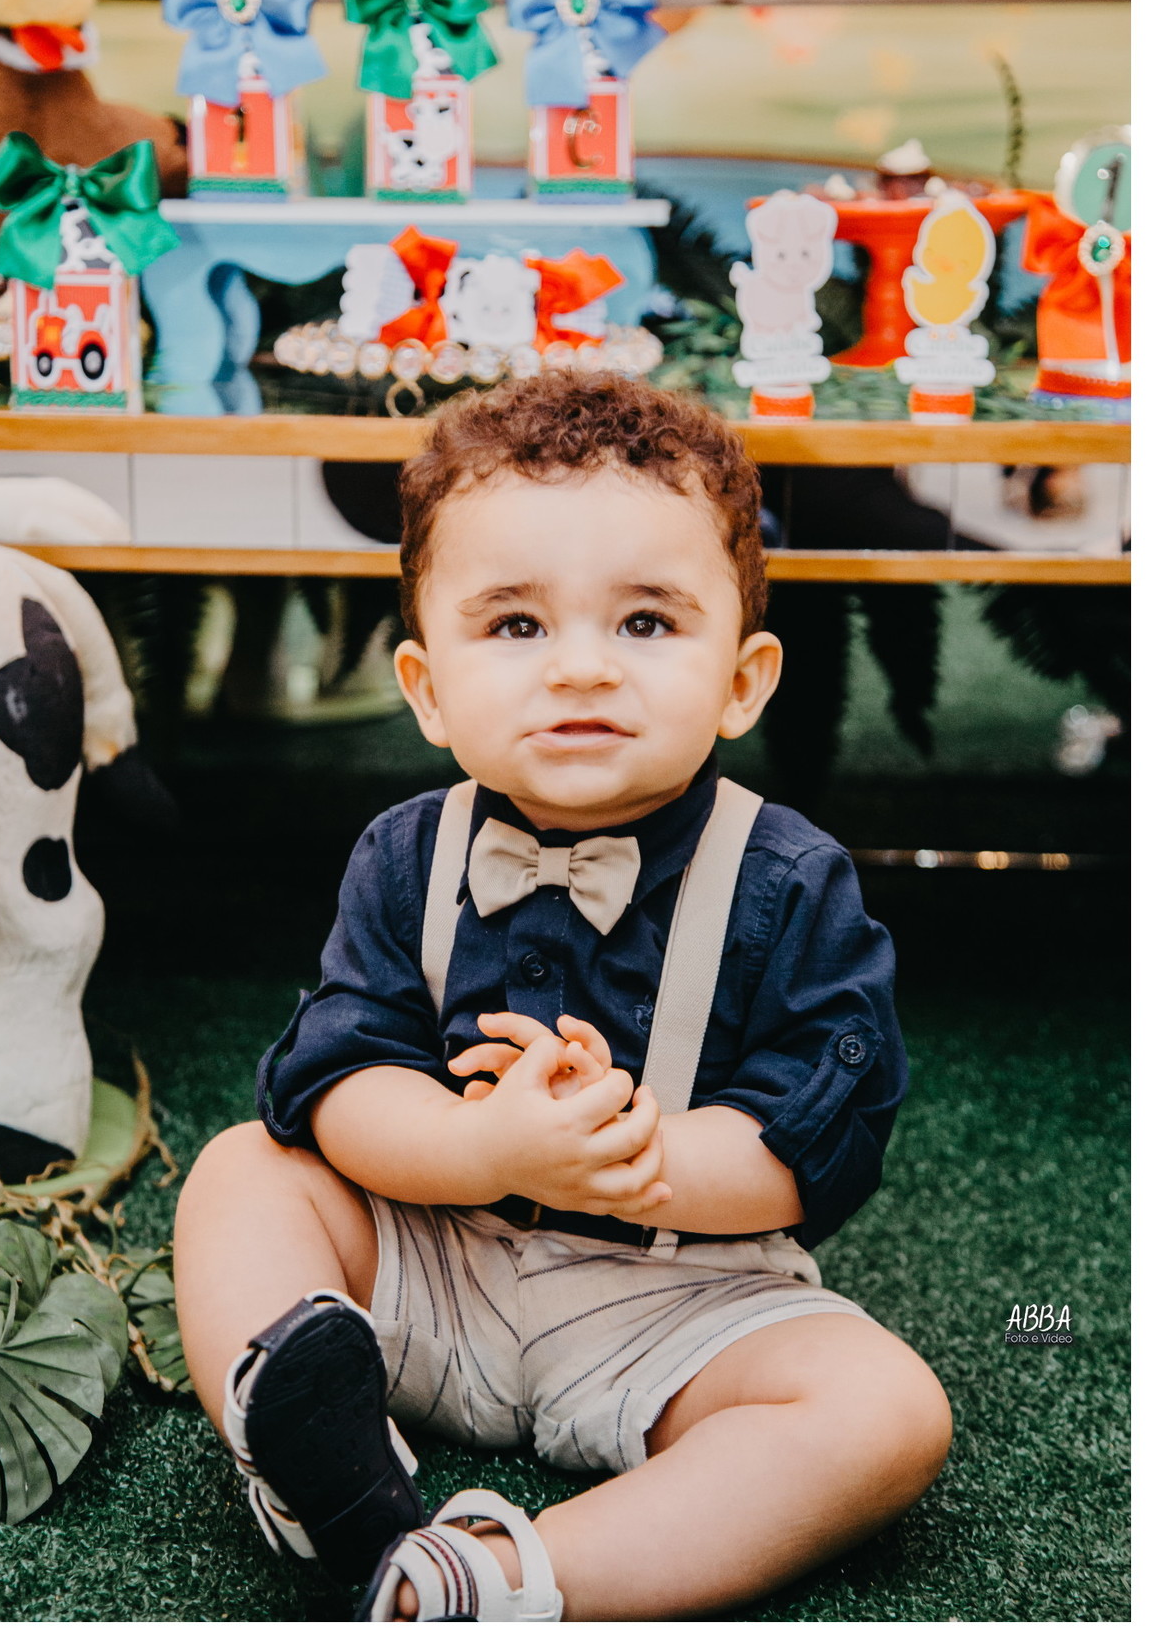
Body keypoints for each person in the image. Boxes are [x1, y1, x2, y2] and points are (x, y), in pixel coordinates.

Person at [173, 371, 952, 1622]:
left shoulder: (792, 879)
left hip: (682, 1295)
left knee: (888, 1411)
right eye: (517, 626)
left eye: (645, 621)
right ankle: (329, 1469)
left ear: (744, 679)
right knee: (240, 1175)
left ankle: (502, 1576)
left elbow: (821, 1137)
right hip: (435, 1263)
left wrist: (637, 1161)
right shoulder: (403, 855)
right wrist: (477, 1148)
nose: (582, 669)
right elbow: (338, 1079)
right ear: (428, 688)